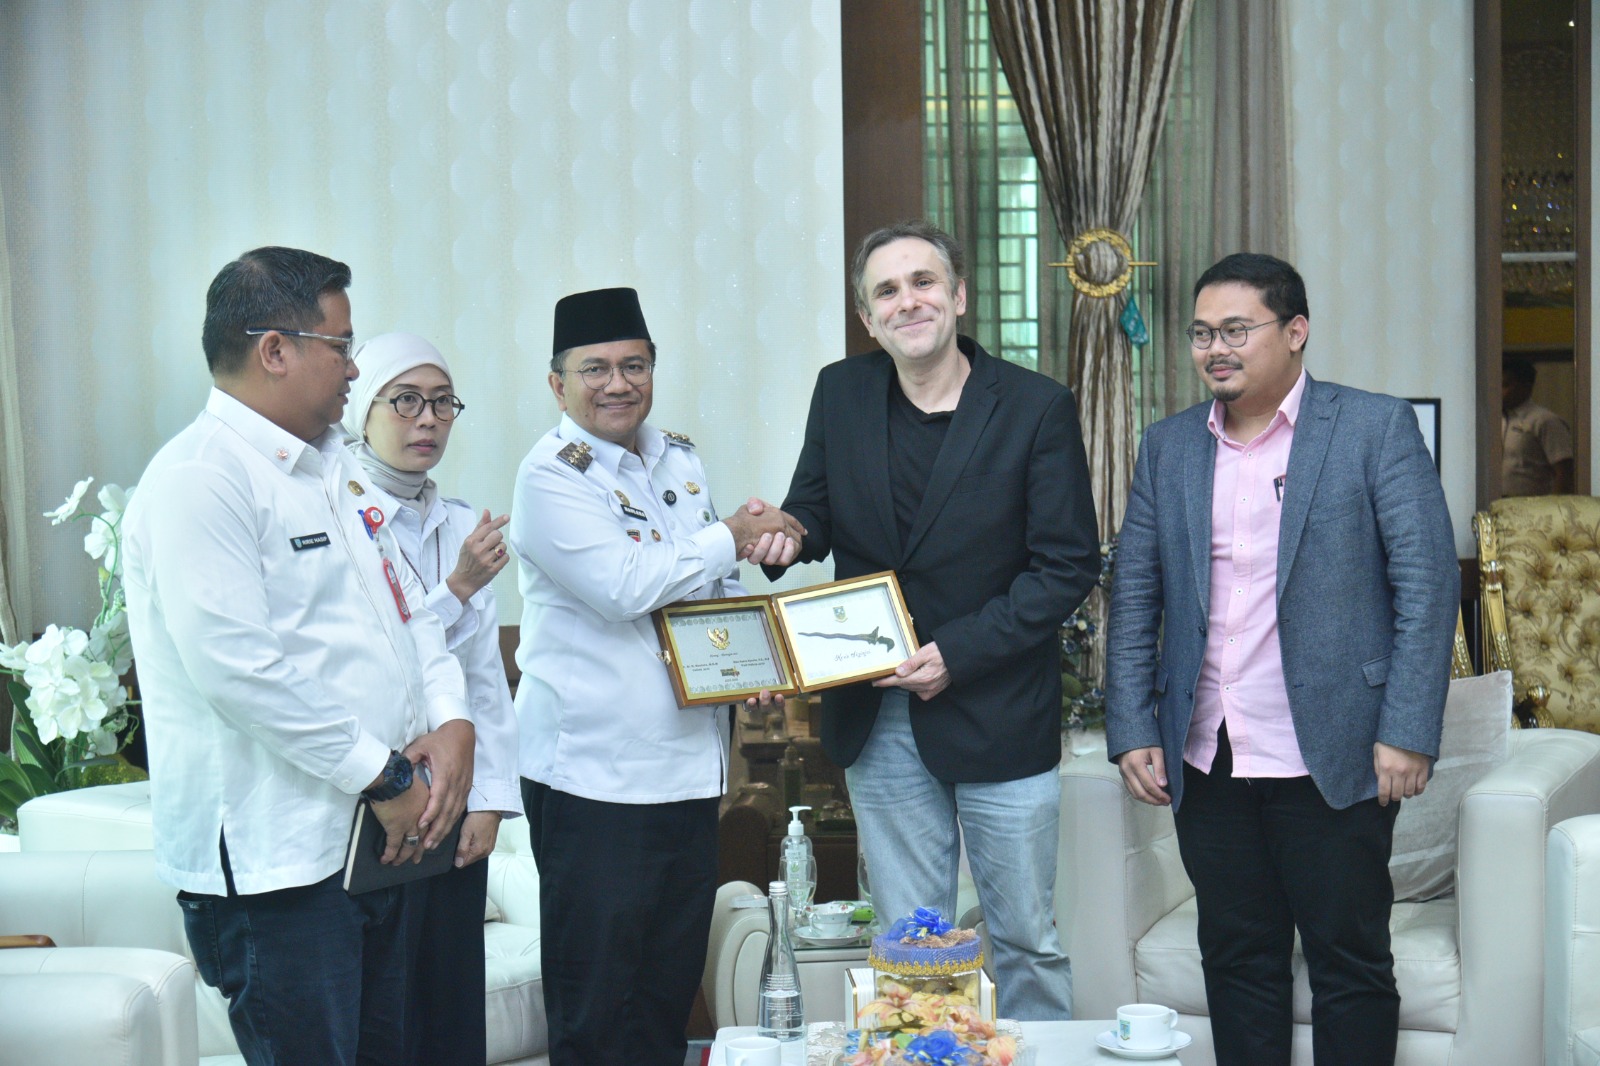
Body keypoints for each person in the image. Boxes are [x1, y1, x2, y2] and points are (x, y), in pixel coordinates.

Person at [122, 247, 475, 1065]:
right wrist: (384, 775)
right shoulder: (200, 480)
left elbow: (411, 609)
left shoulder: (334, 469)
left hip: (372, 845)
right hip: (277, 869)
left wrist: (452, 719)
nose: (354, 368)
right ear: (275, 350)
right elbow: (239, 671)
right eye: (341, 346)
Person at [1105, 252, 1459, 1066]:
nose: (1215, 349)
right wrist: (1132, 725)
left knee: (1349, 962)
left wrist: (1408, 729)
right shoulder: (1169, 447)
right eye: (1202, 334)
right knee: (1236, 958)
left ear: (1295, 331)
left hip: (1334, 751)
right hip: (1210, 754)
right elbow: (1136, 595)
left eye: (1236, 330)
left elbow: (1427, 584)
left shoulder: (1371, 428)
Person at [763, 220, 1099, 1018]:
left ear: (959, 295)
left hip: (999, 710)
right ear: (866, 316)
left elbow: (1066, 566)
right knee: (910, 940)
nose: (907, 301)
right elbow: (813, 509)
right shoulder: (840, 392)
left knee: (1025, 939)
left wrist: (958, 652)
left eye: (923, 282)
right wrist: (783, 533)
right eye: (886, 291)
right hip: (879, 713)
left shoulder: (1036, 406)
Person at [510, 286, 803, 1066]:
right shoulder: (550, 477)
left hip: (687, 774)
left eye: (634, 365)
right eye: (596, 368)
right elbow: (626, 584)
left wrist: (749, 662)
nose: (618, 384)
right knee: (596, 1006)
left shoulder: (677, 456)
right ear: (558, 384)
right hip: (594, 782)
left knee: (664, 998)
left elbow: (707, 589)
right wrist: (732, 534)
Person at [343, 332, 522, 1065]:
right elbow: (379, 646)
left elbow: (482, 679)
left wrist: (489, 801)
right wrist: (457, 590)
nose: (427, 420)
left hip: (452, 801)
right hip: (372, 795)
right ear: (362, 410)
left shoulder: (461, 522)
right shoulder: (339, 513)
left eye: (443, 403)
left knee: (447, 1016)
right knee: (380, 1021)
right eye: (407, 401)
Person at [1502, 355, 1574, 496]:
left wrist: (1554, 506)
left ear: (1526, 387)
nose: (1500, 391)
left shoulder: (1545, 421)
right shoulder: (1498, 421)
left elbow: (1564, 472)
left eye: (1505, 385)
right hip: (1499, 504)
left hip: (1533, 505)